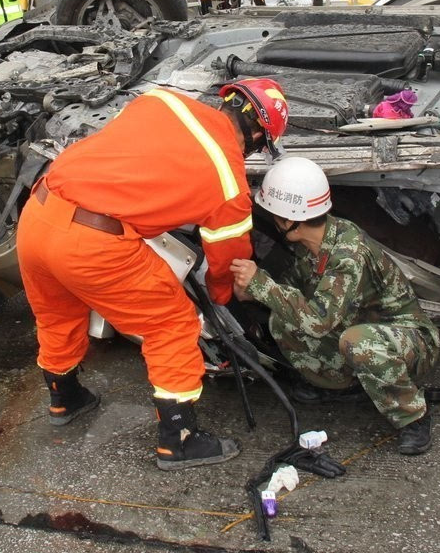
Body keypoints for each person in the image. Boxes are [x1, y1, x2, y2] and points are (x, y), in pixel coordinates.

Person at [16, 79, 290, 471]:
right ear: (257, 135)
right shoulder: (229, 182)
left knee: (57, 314)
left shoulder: (164, 99)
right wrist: (226, 296)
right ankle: (178, 439)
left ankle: (65, 397)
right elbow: (226, 260)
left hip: (39, 214)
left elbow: (140, 159)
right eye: (261, 146)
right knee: (172, 325)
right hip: (93, 243)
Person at [229, 157, 440, 456]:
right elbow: (294, 289)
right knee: (283, 319)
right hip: (360, 324)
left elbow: (319, 320)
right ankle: (338, 385)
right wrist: (254, 292)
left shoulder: (348, 254)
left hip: (410, 338)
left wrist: (262, 285)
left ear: (290, 219)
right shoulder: (314, 244)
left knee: (358, 341)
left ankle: (412, 417)